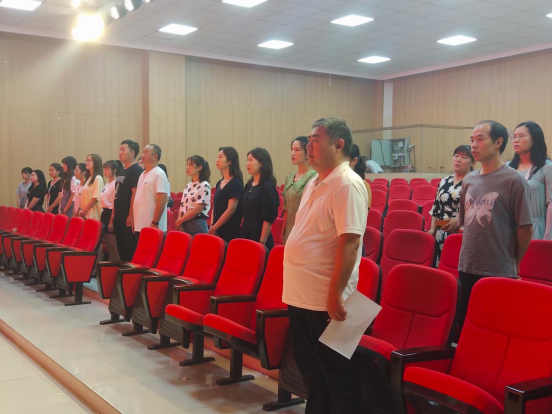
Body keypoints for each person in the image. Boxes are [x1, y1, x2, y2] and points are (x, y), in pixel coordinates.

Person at [283, 117, 368, 414]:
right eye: (308, 140)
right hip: (301, 295)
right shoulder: (314, 182)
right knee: (312, 372)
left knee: (337, 376)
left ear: (339, 144)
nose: (309, 145)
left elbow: (350, 243)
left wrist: (335, 294)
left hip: (326, 299)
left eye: (315, 140)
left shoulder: (347, 183)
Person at [458, 120, 533, 323]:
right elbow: (465, 223)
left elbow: (525, 227)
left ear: (498, 142)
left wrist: (515, 262)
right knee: (466, 323)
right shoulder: (469, 180)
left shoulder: (514, 180)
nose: (474, 145)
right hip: (467, 264)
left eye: (480, 139)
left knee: (493, 325)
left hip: (498, 268)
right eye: (472, 140)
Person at [428, 145, 475, 264]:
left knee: (457, 265)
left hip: (463, 233)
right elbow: (436, 206)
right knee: (441, 265)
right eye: (456, 156)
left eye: (464, 157)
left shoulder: (475, 182)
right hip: (442, 231)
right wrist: (432, 228)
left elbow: (478, 211)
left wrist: (459, 221)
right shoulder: (445, 181)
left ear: (473, 162)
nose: (458, 160)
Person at [508, 121, 552, 240]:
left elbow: (551, 204)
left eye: (521, 136)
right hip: (510, 229)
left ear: (534, 139)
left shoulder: (546, 167)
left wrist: (548, 235)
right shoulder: (507, 168)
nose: (516, 140)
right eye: (514, 137)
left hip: (536, 228)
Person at [240, 148, 279, 250]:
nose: (248, 163)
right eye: (247, 160)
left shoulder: (267, 186)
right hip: (246, 232)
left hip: (259, 236)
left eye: (251, 160)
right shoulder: (248, 185)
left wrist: (262, 242)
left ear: (261, 163)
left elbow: (268, 218)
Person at [111, 140, 142, 261]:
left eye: (123, 150)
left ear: (132, 152)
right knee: (121, 248)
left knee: (130, 249)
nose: (120, 152)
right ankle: (123, 271)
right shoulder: (122, 170)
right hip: (118, 216)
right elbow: (117, 192)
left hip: (127, 216)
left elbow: (135, 194)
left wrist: (131, 216)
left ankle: (131, 272)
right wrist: (113, 214)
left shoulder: (136, 170)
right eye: (120, 150)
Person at [282, 136, 316, 245]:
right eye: (292, 149)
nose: (292, 153)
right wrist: (283, 232)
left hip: (305, 232)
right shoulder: (289, 178)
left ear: (307, 153)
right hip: (289, 231)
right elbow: (287, 210)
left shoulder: (314, 178)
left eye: (297, 150)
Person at [133, 144, 170, 235]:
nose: (142, 155)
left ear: (155, 156)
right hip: (140, 225)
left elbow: (162, 199)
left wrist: (155, 222)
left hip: (153, 225)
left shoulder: (159, 174)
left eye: (145, 153)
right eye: (142, 152)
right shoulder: (142, 174)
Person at [209, 147, 244, 242]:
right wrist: (212, 225)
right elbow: (215, 206)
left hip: (229, 230)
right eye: (217, 157)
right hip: (216, 229)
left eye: (220, 157)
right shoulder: (219, 183)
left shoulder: (235, 182)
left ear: (230, 161)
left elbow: (231, 210)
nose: (217, 160)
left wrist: (214, 227)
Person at [175, 155, 211, 236]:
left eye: (190, 165)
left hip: (197, 223)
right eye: (187, 165)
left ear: (199, 167)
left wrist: (180, 220)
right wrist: (180, 221)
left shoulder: (204, 185)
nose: (187, 167)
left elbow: (198, 209)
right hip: (184, 222)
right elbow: (182, 205)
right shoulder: (188, 185)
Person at [101, 160, 122, 261]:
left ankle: (116, 265)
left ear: (114, 170)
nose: (105, 171)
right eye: (104, 169)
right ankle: (110, 266)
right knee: (109, 246)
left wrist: (111, 221)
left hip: (110, 213)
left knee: (113, 246)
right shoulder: (107, 184)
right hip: (104, 213)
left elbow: (115, 203)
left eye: (107, 169)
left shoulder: (116, 184)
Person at [346, 144, 372, 210]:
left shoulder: (363, 185)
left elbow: (363, 212)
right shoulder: (337, 182)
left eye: (344, 161)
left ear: (354, 161)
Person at [80, 154, 104, 220]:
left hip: (92, 214)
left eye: (89, 161)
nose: (87, 162)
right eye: (86, 160)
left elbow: (95, 198)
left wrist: (84, 211)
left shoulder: (98, 178)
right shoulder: (89, 178)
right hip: (86, 213)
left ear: (96, 163)